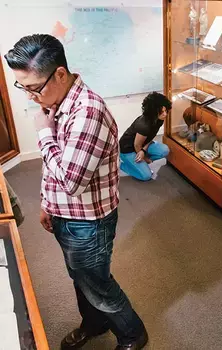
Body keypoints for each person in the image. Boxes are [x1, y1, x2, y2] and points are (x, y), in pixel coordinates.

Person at [5, 34, 148, 350]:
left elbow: (71, 180)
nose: (29, 97)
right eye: (22, 87)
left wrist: (42, 132)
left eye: (33, 87)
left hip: (89, 222)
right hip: (65, 214)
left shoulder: (88, 112)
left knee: (98, 284)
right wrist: (47, 203)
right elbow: (55, 165)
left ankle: (133, 334)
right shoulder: (55, 102)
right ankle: (95, 323)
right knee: (81, 278)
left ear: (59, 74)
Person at [119, 92, 171, 181]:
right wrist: (144, 156)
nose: (165, 114)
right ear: (153, 111)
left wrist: (144, 152)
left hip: (141, 145)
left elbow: (150, 138)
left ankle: (139, 163)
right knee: (146, 176)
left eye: (166, 110)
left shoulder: (159, 119)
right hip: (128, 149)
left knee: (164, 150)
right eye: (162, 112)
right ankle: (123, 165)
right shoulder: (144, 125)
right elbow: (136, 145)